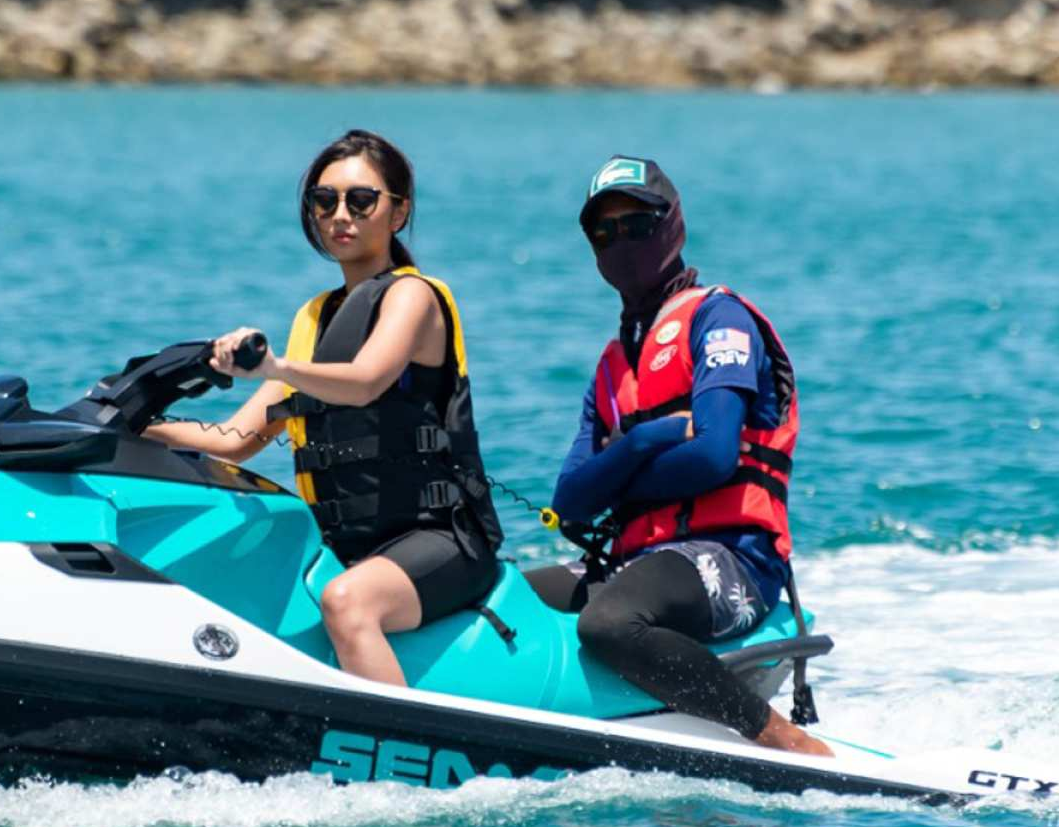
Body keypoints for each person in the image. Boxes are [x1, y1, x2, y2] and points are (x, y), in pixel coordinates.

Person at [144, 129, 504, 686]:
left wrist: (275, 367)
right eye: (324, 200)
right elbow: (235, 440)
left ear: (398, 212)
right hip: (351, 543)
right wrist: (141, 430)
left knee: (347, 603)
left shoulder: (413, 296)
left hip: (441, 539)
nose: (340, 215)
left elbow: (365, 382)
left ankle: (398, 739)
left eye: (361, 201)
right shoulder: (314, 319)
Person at [529, 155, 831, 756]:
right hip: (641, 559)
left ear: (672, 227)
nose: (621, 241)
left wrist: (616, 477)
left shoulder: (719, 319)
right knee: (502, 594)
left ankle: (780, 736)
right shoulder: (613, 366)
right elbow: (570, 504)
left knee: (608, 624)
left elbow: (714, 456)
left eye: (637, 224)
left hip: (735, 559)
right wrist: (646, 440)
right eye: (604, 232)